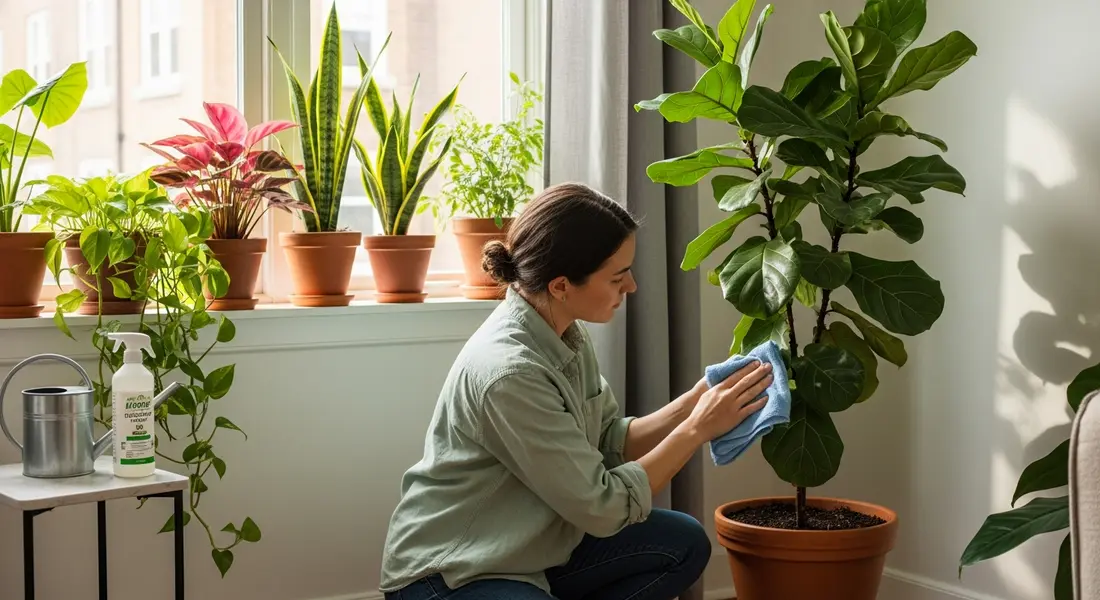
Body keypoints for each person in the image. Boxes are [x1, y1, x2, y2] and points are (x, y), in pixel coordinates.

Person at [379, 182, 773, 600]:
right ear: (561, 285)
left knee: (683, 543)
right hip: (452, 573)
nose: (633, 287)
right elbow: (604, 507)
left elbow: (608, 440)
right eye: (618, 276)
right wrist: (696, 429)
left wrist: (695, 400)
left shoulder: (564, 334)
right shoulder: (510, 374)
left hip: (532, 551)